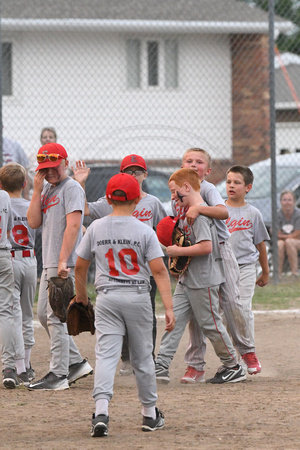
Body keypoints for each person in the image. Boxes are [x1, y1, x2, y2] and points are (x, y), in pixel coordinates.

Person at [74, 172, 175, 437]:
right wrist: (169, 308)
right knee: (143, 356)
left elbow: (80, 266)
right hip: (138, 297)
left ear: (108, 198)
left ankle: (101, 412)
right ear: (136, 200)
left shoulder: (96, 227)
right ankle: (150, 414)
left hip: (107, 298)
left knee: (106, 356)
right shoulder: (144, 230)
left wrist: (81, 297)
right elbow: (160, 272)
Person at [161, 148, 259, 384]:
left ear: (208, 169)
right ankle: (194, 365)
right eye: (189, 161)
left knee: (231, 303)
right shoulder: (178, 194)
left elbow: (223, 212)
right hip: (195, 255)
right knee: (194, 311)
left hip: (220, 250)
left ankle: (245, 352)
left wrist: (198, 207)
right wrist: (179, 257)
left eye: (199, 162)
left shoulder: (205, 189)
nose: (194, 165)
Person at [73, 154, 167, 375]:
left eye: (137, 171)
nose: (133, 175)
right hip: (117, 271)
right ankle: (127, 359)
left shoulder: (152, 202)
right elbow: (84, 209)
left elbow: (163, 229)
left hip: (146, 271)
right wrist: (80, 183)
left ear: (145, 174)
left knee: (147, 315)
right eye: (128, 171)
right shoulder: (110, 203)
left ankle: (146, 358)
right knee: (121, 317)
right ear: (120, 174)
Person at [26, 142, 93, 390]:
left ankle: (58, 374)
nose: (50, 172)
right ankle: (75, 363)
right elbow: (33, 222)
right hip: (50, 262)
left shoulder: (71, 188)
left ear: (65, 163)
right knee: (45, 315)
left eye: (54, 167)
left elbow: (74, 226)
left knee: (56, 317)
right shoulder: (46, 190)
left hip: (63, 262)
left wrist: (64, 259)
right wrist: (35, 190)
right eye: (45, 168)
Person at [225, 165, 270, 360]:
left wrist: (266, 272)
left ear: (248, 187)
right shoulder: (219, 210)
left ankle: (248, 352)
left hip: (246, 267)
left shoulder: (253, 213)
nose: (231, 186)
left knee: (242, 307)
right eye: (228, 182)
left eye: (237, 182)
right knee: (228, 312)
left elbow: (260, 245)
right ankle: (235, 357)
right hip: (224, 267)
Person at [0, 163, 37, 386]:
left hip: (10, 258)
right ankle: (27, 366)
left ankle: (14, 366)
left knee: (11, 313)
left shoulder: (4, 203)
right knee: (27, 313)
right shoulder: (30, 205)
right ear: (24, 185)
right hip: (30, 259)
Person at [277, 190, 300, 279]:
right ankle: (277, 275)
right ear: (281, 202)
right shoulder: (277, 214)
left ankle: (294, 273)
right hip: (283, 241)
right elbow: (276, 234)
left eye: (290, 200)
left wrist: (285, 237)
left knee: (290, 242)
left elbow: (298, 234)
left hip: (297, 242)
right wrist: (287, 238)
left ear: (294, 202)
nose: (287, 202)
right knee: (279, 244)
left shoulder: (298, 214)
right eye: (284, 200)